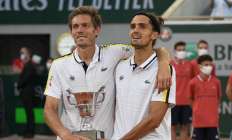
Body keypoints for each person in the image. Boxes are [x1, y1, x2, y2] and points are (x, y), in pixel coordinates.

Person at [44, 6, 172, 140]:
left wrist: (163, 64)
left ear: (97, 30)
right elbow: (49, 109)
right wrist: (65, 135)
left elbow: (150, 49)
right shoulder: (58, 65)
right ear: (71, 31)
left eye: (85, 25)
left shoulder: (115, 53)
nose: (80, 30)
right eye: (75, 27)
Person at [111, 12, 176, 140]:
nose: (135, 30)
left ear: (154, 34)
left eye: (142, 26)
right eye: (133, 26)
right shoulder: (119, 67)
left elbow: (154, 120)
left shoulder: (164, 70)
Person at [188, 55, 221, 140]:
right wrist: (197, 110)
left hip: (213, 122)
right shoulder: (192, 82)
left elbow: (218, 98)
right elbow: (190, 99)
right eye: (206, 65)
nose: (209, 67)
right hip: (198, 122)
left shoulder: (216, 82)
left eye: (210, 65)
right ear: (199, 66)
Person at [170, 41, 193, 140]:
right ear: (175, 51)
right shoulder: (170, 64)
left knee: (185, 127)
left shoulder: (190, 65)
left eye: (183, 50)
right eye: (179, 50)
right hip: (173, 101)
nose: (181, 52)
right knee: (172, 126)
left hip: (187, 102)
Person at [17, 47, 37, 138]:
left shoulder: (30, 65)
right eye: (21, 53)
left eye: (23, 53)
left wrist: (19, 85)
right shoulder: (26, 65)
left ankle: (31, 132)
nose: (22, 54)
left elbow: (25, 79)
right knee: (28, 113)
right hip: (25, 93)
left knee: (29, 113)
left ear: (28, 54)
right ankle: (28, 130)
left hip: (28, 93)